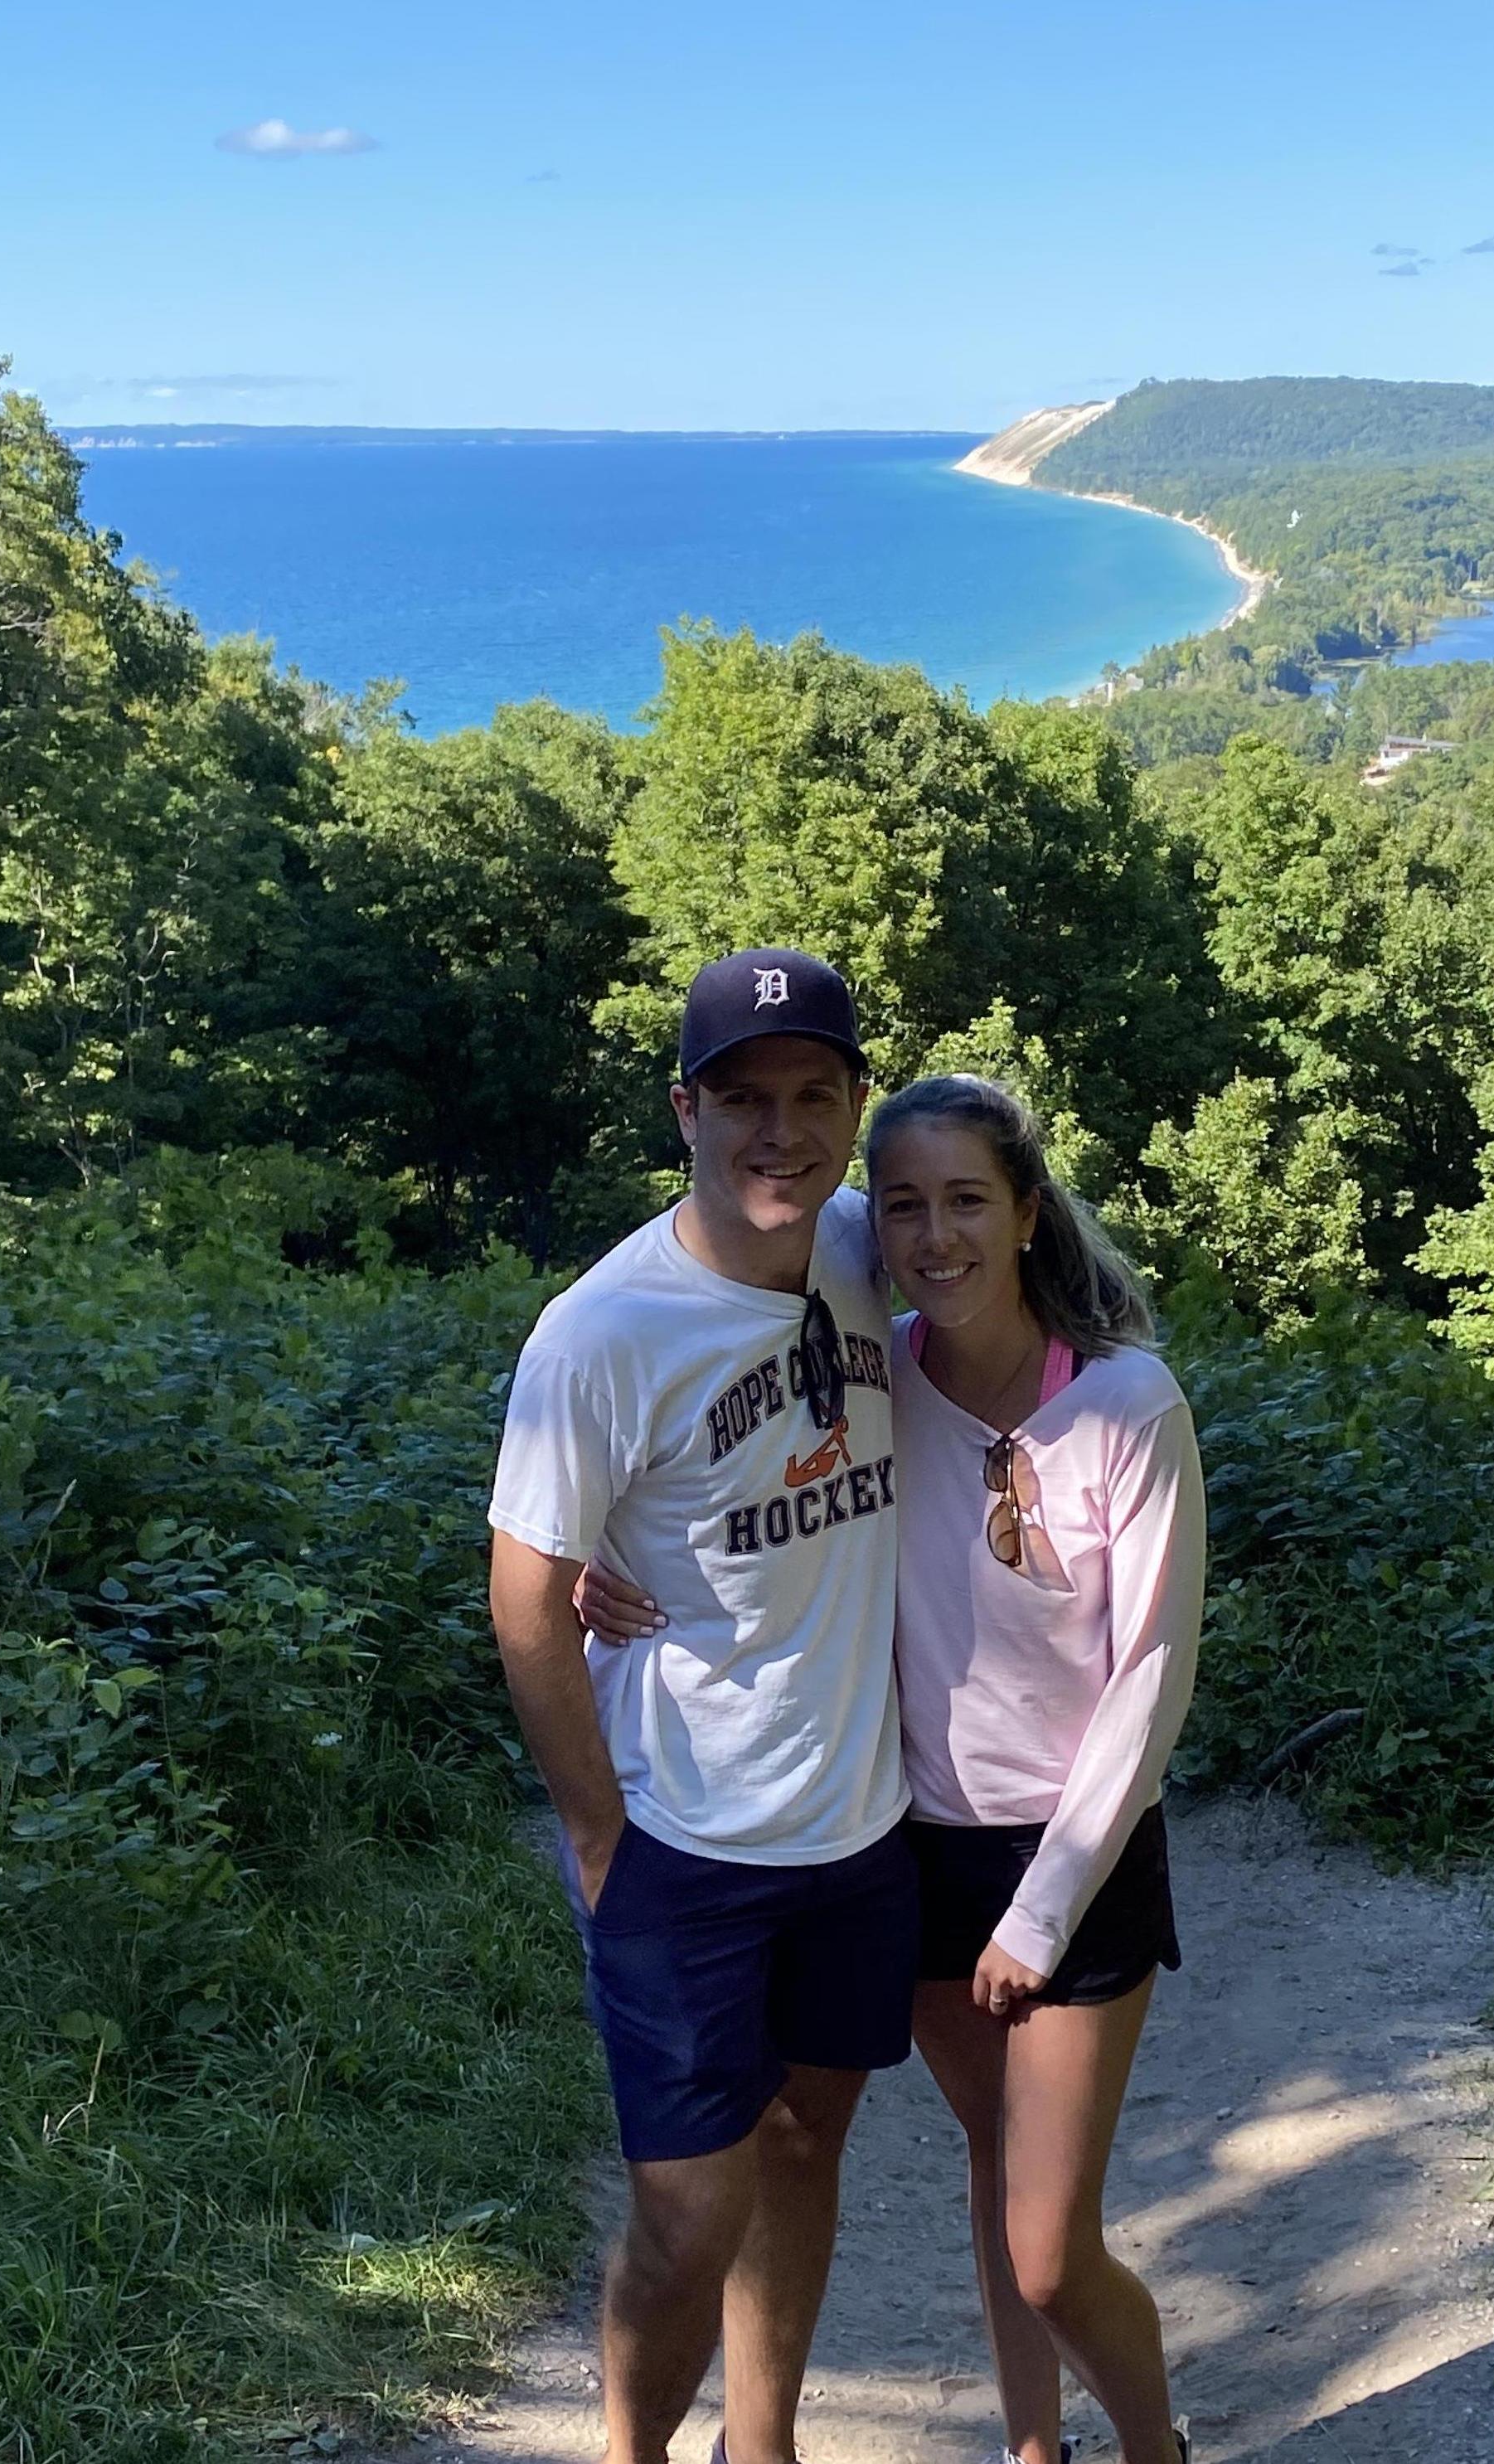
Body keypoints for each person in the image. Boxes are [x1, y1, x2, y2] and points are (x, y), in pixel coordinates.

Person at [585, 1072, 1204, 2464]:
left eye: (971, 1202)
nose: (936, 1236)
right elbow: (686, 1373)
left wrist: (1042, 1909)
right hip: (912, 1847)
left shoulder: (1128, 1406)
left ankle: (1159, 2449)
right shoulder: (879, 1372)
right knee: (995, 2164)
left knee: (1050, 2247)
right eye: (909, 1206)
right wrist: (608, 1560)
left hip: (1076, 1858)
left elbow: (1149, 1682)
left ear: (1029, 1212)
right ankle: (1034, 2448)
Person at [486, 947, 913, 2464]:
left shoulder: (884, 1246)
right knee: (684, 2216)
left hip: (863, 1825)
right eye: (742, 1100)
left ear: (858, 1106)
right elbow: (527, 1595)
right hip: (685, 1840)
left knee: (807, 2143)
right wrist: (600, 1841)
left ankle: (767, 2444)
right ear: (685, 1111)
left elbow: (1038, 1325)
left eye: (813, 1096)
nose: (779, 1133)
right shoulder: (603, 1332)